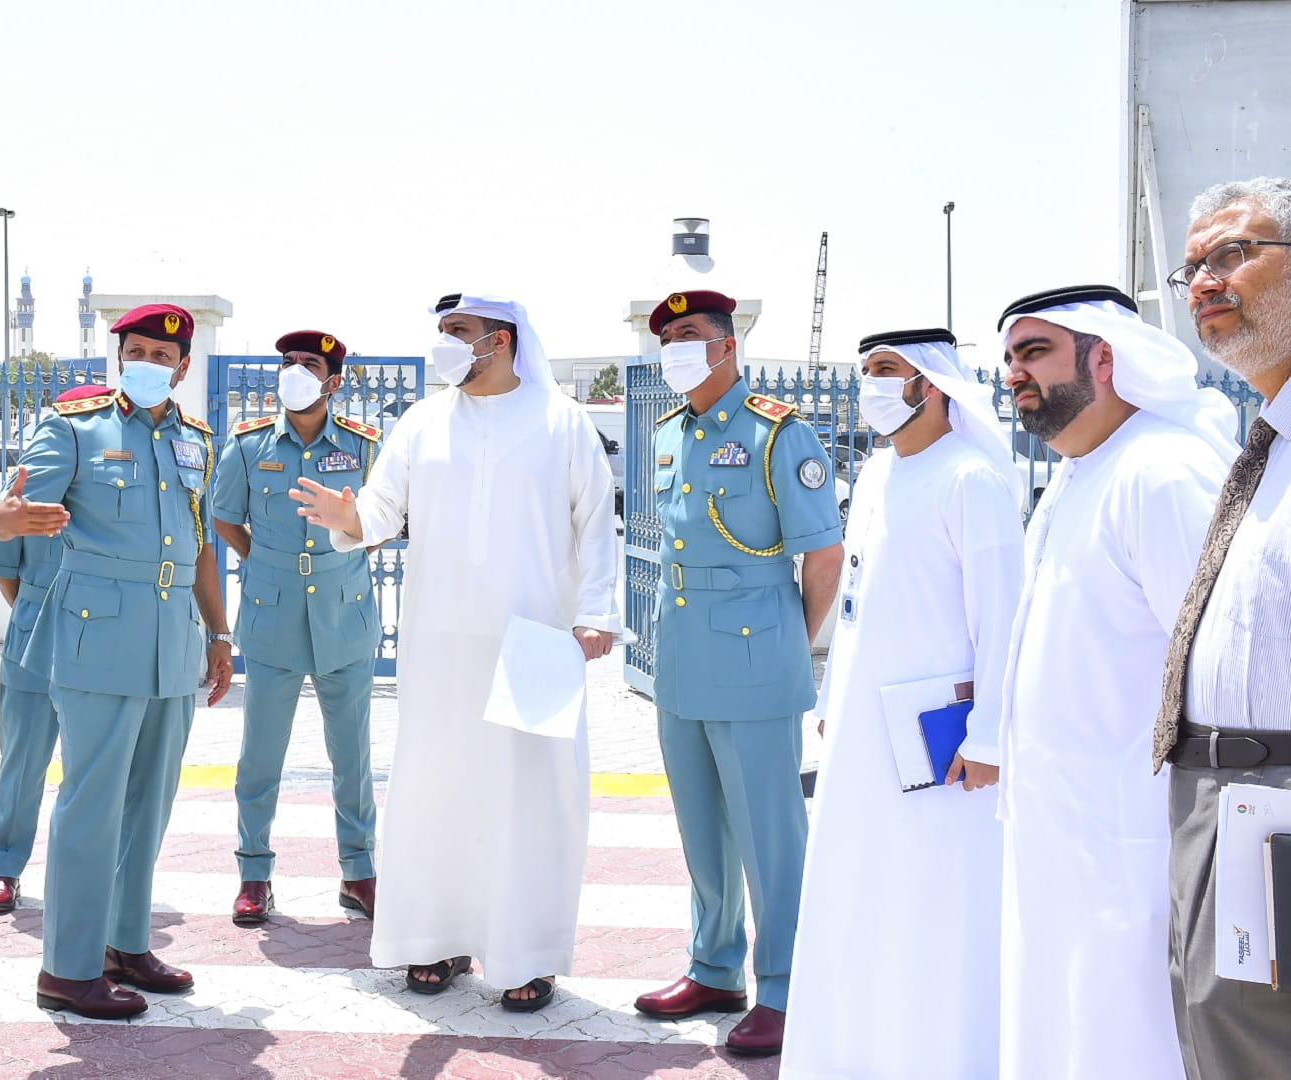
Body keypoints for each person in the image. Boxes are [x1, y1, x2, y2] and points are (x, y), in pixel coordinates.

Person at [291, 293, 622, 1014]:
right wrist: (351, 519)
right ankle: (435, 939)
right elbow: (380, 509)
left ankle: (526, 955)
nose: (445, 343)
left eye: (459, 332)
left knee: (531, 800)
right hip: (438, 642)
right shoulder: (421, 421)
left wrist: (596, 615)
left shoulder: (563, 422)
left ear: (499, 340)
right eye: (442, 331)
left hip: (535, 641)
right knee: (439, 788)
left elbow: (598, 525)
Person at [993, 284, 1235, 1080]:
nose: (1013, 375)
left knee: (1129, 1045)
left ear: (1107, 358)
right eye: (1008, 359)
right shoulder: (1077, 476)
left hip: (1134, 847)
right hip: (1063, 837)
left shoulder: (1162, 472)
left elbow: (1219, 671)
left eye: (1034, 354)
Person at [779, 329, 1023, 1079]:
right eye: (866, 373)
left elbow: (1003, 619)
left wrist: (987, 739)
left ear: (932, 383)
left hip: (941, 751)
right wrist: (831, 698)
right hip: (859, 733)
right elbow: (854, 602)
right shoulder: (880, 472)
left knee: (933, 909)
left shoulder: (971, 479)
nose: (872, 387)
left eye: (887, 371)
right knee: (861, 896)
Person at [0, 303, 235, 1020]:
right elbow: (8, 509)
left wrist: (219, 634)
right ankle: (67, 968)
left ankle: (127, 942)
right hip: (98, 633)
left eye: (164, 355)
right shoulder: (73, 424)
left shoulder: (196, 440)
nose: (151, 363)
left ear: (184, 367)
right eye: (139, 351)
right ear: (117, 354)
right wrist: (11, 519)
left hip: (173, 637)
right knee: (90, 804)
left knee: (150, 802)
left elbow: (201, 549)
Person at [632, 290, 843, 1058]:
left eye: (689, 334)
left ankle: (784, 988)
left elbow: (822, 556)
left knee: (769, 835)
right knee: (703, 829)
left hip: (755, 659)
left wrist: (792, 643)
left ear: (725, 346)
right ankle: (713, 966)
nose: (675, 346)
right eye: (667, 337)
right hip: (682, 656)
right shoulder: (669, 434)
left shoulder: (775, 432)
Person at [1153, 177, 1291, 1080]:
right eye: (1193, 264)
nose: (1206, 279)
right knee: (1221, 1038)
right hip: (1222, 801)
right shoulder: (1267, 442)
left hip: (1275, 795)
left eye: (1235, 253)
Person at [214, 330, 381, 926]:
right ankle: (253, 873)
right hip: (273, 616)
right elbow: (224, 515)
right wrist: (262, 557)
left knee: (352, 758)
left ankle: (358, 871)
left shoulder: (363, 447)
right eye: (287, 362)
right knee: (260, 754)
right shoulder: (249, 444)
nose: (295, 371)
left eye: (309, 364)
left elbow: (387, 520)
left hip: (345, 616)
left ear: (333, 381)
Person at [0, 381, 108, 915]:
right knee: (23, 757)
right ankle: (4, 868)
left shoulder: (108, 510)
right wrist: (39, 612)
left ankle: (89, 873)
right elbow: (5, 573)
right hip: (35, 631)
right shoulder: (25, 503)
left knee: (94, 764)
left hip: (100, 635)